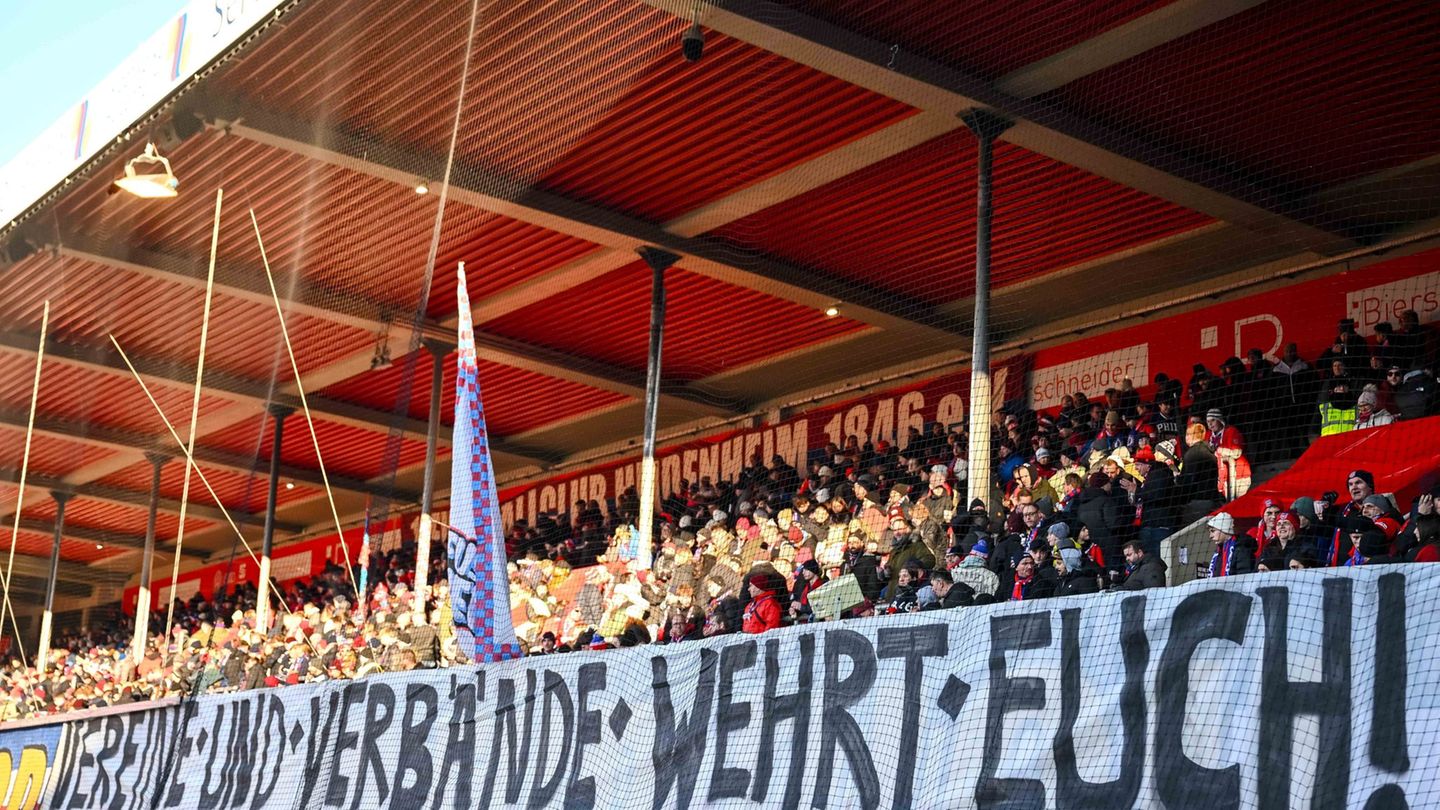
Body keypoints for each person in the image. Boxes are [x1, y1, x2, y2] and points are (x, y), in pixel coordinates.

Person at [1206, 512, 1255, 577]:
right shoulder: (1219, 551)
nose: (1211, 536)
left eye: (1213, 531)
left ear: (1224, 529)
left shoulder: (1241, 549)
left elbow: (1244, 577)